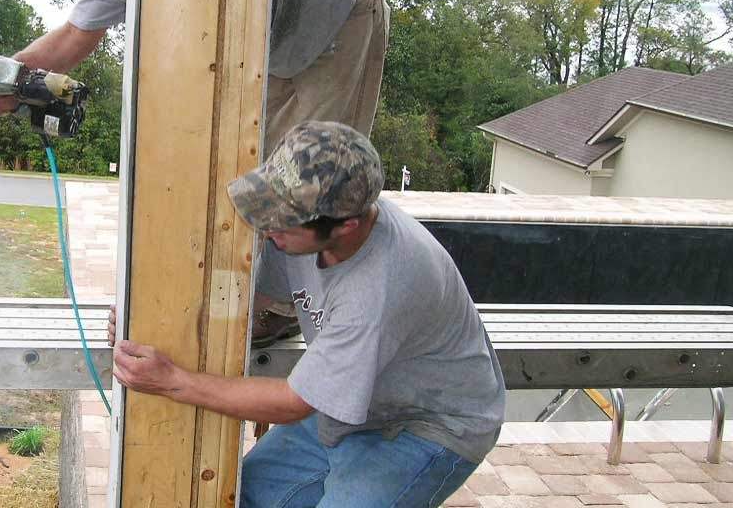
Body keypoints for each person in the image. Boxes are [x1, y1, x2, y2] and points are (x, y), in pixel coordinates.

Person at [0, 0, 390, 345]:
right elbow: (74, 37)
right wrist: (7, 79)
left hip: (340, 12)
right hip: (267, 47)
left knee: (318, 172)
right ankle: (251, 294)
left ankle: (300, 307)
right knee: (254, 171)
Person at [110, 120, 506, 507]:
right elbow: (242, 303)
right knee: (241, 496)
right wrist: (145, 319)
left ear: (346, 225)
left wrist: (173, 381)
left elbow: (293, 402)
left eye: (282, 222)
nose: (267, 231)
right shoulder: (306, 233)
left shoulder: (376, 290)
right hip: (355, 404)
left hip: (427, 424)